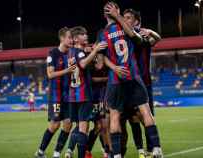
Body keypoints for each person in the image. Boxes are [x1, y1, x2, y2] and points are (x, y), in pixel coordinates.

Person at [98, 2, 163, 158]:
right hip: (133, 76)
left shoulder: (102, 33)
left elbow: (100, 62)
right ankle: (156, 149)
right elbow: (138, 39)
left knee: (114, 116)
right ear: (116, 12)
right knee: (145, 112)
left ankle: (117, 155)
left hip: (115, 80)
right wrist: (119, 16)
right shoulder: (126, 28)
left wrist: (113, 67)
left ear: (104, 15)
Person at [65, 26, 107, 158]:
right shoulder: (79, 52)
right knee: (83, 128)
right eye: (83, 34)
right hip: (83, 94)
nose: (86, 36)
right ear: (76, 38)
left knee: (79, 127)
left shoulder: (70, 52)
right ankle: (81, 155)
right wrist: (95, 50)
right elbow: (83, 64)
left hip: (73, 96)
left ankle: (70, 151)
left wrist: (90, 50)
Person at [35, 27, 75, 158]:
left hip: (68, 95)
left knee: (68, 123)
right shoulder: (53, 53)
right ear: (62, 38)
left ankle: (57, 153)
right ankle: (40, 152)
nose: (71, 40)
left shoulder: (72, 53)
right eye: (69, 37)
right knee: (55, 125)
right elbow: (50, 74)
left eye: (72, 37)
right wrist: (67, 71)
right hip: (56, 95)